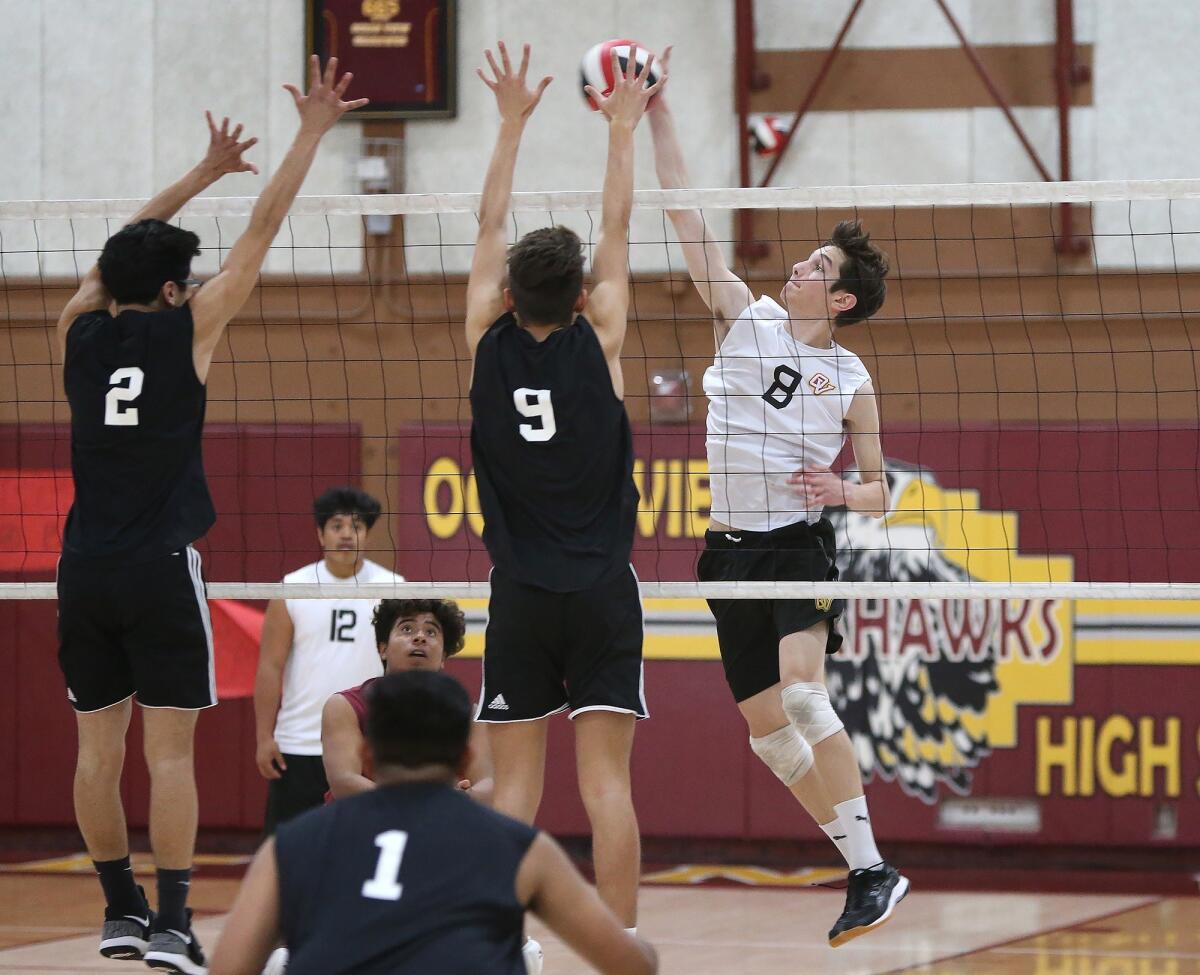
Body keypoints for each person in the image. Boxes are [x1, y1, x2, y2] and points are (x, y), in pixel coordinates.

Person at [54, 57, 367, 973]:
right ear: (170, 292)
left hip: (83, 569)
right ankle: (174, 925)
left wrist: (194, 177)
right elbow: (262, 233)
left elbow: (119, 252)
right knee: (173, 754)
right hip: (158, 565)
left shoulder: (75, 326)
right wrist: (309, 132)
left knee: (95, 753)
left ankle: (120, 909)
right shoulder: (189, 328)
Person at [647, 49, 909, 947]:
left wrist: (843, 485)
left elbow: (881, 493)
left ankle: (874, 866)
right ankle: (864, 867)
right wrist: (656, 113)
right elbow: (686, 218)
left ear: (838, 297)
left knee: (803, 699)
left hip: (799, 543)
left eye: (817, 263)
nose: (800, 262)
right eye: (807, 256)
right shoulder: (746, 317)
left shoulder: (850, 374)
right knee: (767, 733)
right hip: (728, 552)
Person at [462, 41, 664, 934]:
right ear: (583, 296)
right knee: (606, 785)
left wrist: (510, 125)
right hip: (601, 588)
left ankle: (494, 944)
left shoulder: (484, 338)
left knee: (514, 787)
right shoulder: (603, 335)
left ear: (508, 294)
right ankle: (616, 947)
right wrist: (625, 128)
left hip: (522, 592)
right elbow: (619, 226)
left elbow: (486, 225)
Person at [209, 671, 658, 975]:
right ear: (465, 757)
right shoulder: (516, 847)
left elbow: (228, 969)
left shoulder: (289, 847)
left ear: (367, 755)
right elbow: (631, 965)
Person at [254, 486, 404, 834]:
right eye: (337, 526)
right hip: (299, 742)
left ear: (367, 534)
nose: (346, 534)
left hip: (367, 740)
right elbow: (269, 666)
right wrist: (264, 736)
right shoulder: (293, 587)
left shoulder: (393, 588)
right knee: (287, 852)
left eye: (356, 526)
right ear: (320, 533)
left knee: (362, 845)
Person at [321, 598, 491, 802]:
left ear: (444, 656)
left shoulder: (470, 716)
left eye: (431, 632)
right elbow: (344, 782)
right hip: (362, 822)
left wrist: (464, 797)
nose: (420, 637)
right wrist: (429, 800)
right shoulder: (344, 705)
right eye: (407, 629)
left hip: (437, 824)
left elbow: (488, 785)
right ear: (383, 649)